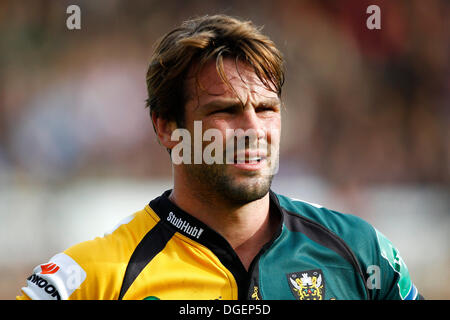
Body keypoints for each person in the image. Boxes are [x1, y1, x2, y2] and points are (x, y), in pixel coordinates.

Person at [17, 14, 422, 300]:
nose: (253, 129)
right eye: (225, 110)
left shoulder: (362, 254)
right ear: (165, 128)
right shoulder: (93, 280)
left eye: (266, 109)